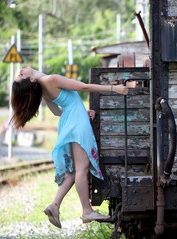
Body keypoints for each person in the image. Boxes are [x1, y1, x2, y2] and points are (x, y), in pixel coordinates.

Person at [11, 67, 128, 228]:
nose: (21, 70)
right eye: (21, 75)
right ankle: (87, 210)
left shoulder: (43, 88)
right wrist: (115, 88)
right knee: (82, 168)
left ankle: (55, 206)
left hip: (69, 122)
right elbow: (83, 87)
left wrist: (80, 112)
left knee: (73, 171)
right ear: (30, 79)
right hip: (76, 125)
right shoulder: (51, 80)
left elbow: (57, 111)